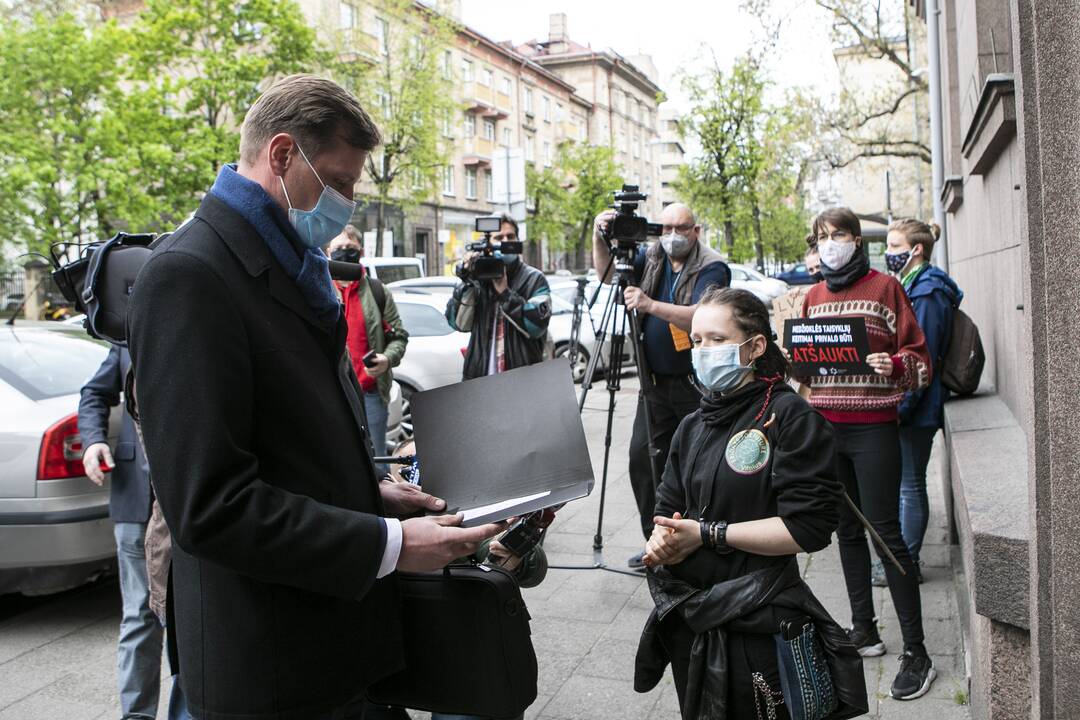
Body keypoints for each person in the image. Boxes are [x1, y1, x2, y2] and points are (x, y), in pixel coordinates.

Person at [127, 74, 504, 720]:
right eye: (341, 181)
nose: (349, 203)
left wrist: (370, 491)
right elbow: (211, 506)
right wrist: (390, 543)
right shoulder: (190, 276)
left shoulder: (292, 265)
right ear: (281, 157)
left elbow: (288, 445)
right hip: (268, 669)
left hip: (332, 651)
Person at [634, 287, 866, 719]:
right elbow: (667, 511)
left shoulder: (793, 418)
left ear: (755, 346)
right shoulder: (691, 425)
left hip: (761, 624)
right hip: (694, 621)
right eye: (698, 341)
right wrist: (660, 542)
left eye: (718, 340)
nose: (704, 351)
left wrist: (708, 535)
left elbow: (807, 528)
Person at [796, 207, 937, 701]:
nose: (830, 243)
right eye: (821, 237)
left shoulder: (886, 289)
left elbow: (921, 361)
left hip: (874, 430)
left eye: (838, 234)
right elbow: (807, 372)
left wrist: (894, 363)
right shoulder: (812, 297)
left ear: (857, 240)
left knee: (886, 535)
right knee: (846, 534)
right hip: (828, 433)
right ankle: (864, 630)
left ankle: (917, 651)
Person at [591, 202, 731, 569]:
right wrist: (599, 234)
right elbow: (606, 274)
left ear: (695, 230)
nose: (672, 235)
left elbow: (703, 314)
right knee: (643, 460)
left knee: (693, 464)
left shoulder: (711, 265)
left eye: (681, 228)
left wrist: (649, 304)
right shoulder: (652, 256)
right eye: (666, 228)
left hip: (694, 385)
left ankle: (694, 542)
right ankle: (655, 543)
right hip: (653, 384)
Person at [79, 346, 189, 720]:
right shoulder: (125, 338)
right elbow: (94, 392)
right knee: (139, 616)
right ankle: (137, 715)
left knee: (186, 617)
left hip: (184, 505)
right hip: (136, 500)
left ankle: (187, 709)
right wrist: (93, 440)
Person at [883, 219, 962, 581]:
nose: (889, 253)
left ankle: (907, 564)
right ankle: (903, 561)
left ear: (916, 249)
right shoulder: (912, 286)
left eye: (894, 245)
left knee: (911, 483)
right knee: (905, 483)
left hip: (917, 407)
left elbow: (922, 359)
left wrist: (901, 409)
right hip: (911, 404)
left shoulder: (927, 292)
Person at [329, 225, 409, 473]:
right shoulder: (321, 289)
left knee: (377, 460)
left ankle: (385, 507)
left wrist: (387, 359)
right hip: (334, 392)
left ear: (360, 252)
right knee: (339, 456)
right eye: (338, 248)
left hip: (371, 391)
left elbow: (399, 336)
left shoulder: (377, 291)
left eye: (350, 249)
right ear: (327, 251)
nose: (344, 253)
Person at [445, 214, 551, 380]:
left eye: (510, 236)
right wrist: (468, 280)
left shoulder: (534, 279)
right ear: (487, 244)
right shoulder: (477, 278)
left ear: (517, 241)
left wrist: (504, 293)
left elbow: (536, 326)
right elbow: (457, 323)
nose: (505, 241)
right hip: (480, 378)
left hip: (521, 380)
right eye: (499, 237)